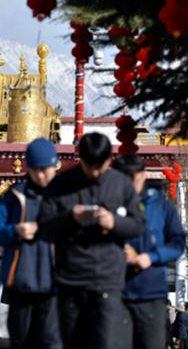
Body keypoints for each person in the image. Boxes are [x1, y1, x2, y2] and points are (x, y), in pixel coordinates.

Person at [38, 132, 144, 349]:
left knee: (105, 342)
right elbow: (44, 226)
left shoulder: (121, 184)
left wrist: (114, 222)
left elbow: (138, 224)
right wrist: (71, 218)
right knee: (73, 342)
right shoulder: (61, 185)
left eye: (99, 168)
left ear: (109, 161)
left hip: (107, 278)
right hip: (70, 278)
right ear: (81, 159)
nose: (94, 173)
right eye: (89, 167)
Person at [0, 138, 62, 349]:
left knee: (51, 342)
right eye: (36, 170)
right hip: (21, 285)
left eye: (46, 170)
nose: (41, 176)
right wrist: (15, 230)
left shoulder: (63, 195)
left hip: (53, 285)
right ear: (28, 168)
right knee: (21, 341)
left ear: (55, 167)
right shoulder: (15, 197)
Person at [112, 154, 186, 349]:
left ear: (143, 176)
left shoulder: (161, 205)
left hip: (151, 293)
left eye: (133, 179)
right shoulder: (109, 205)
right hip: (116, 293)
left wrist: (151, 257)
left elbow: (178, 243)